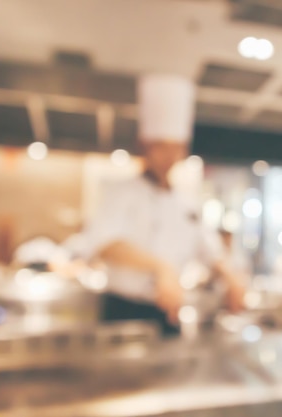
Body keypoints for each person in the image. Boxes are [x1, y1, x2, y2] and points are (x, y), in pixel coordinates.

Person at [77, 75, 245, 336]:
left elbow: (211, 251)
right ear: (144, 146)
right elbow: (104, 244)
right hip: (123, 311)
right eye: (161, 147)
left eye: (176, 148)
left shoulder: (187, 203)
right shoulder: (118, 192)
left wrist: (231, 277)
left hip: (169, 311)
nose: (169, 156)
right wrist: (161, 267)